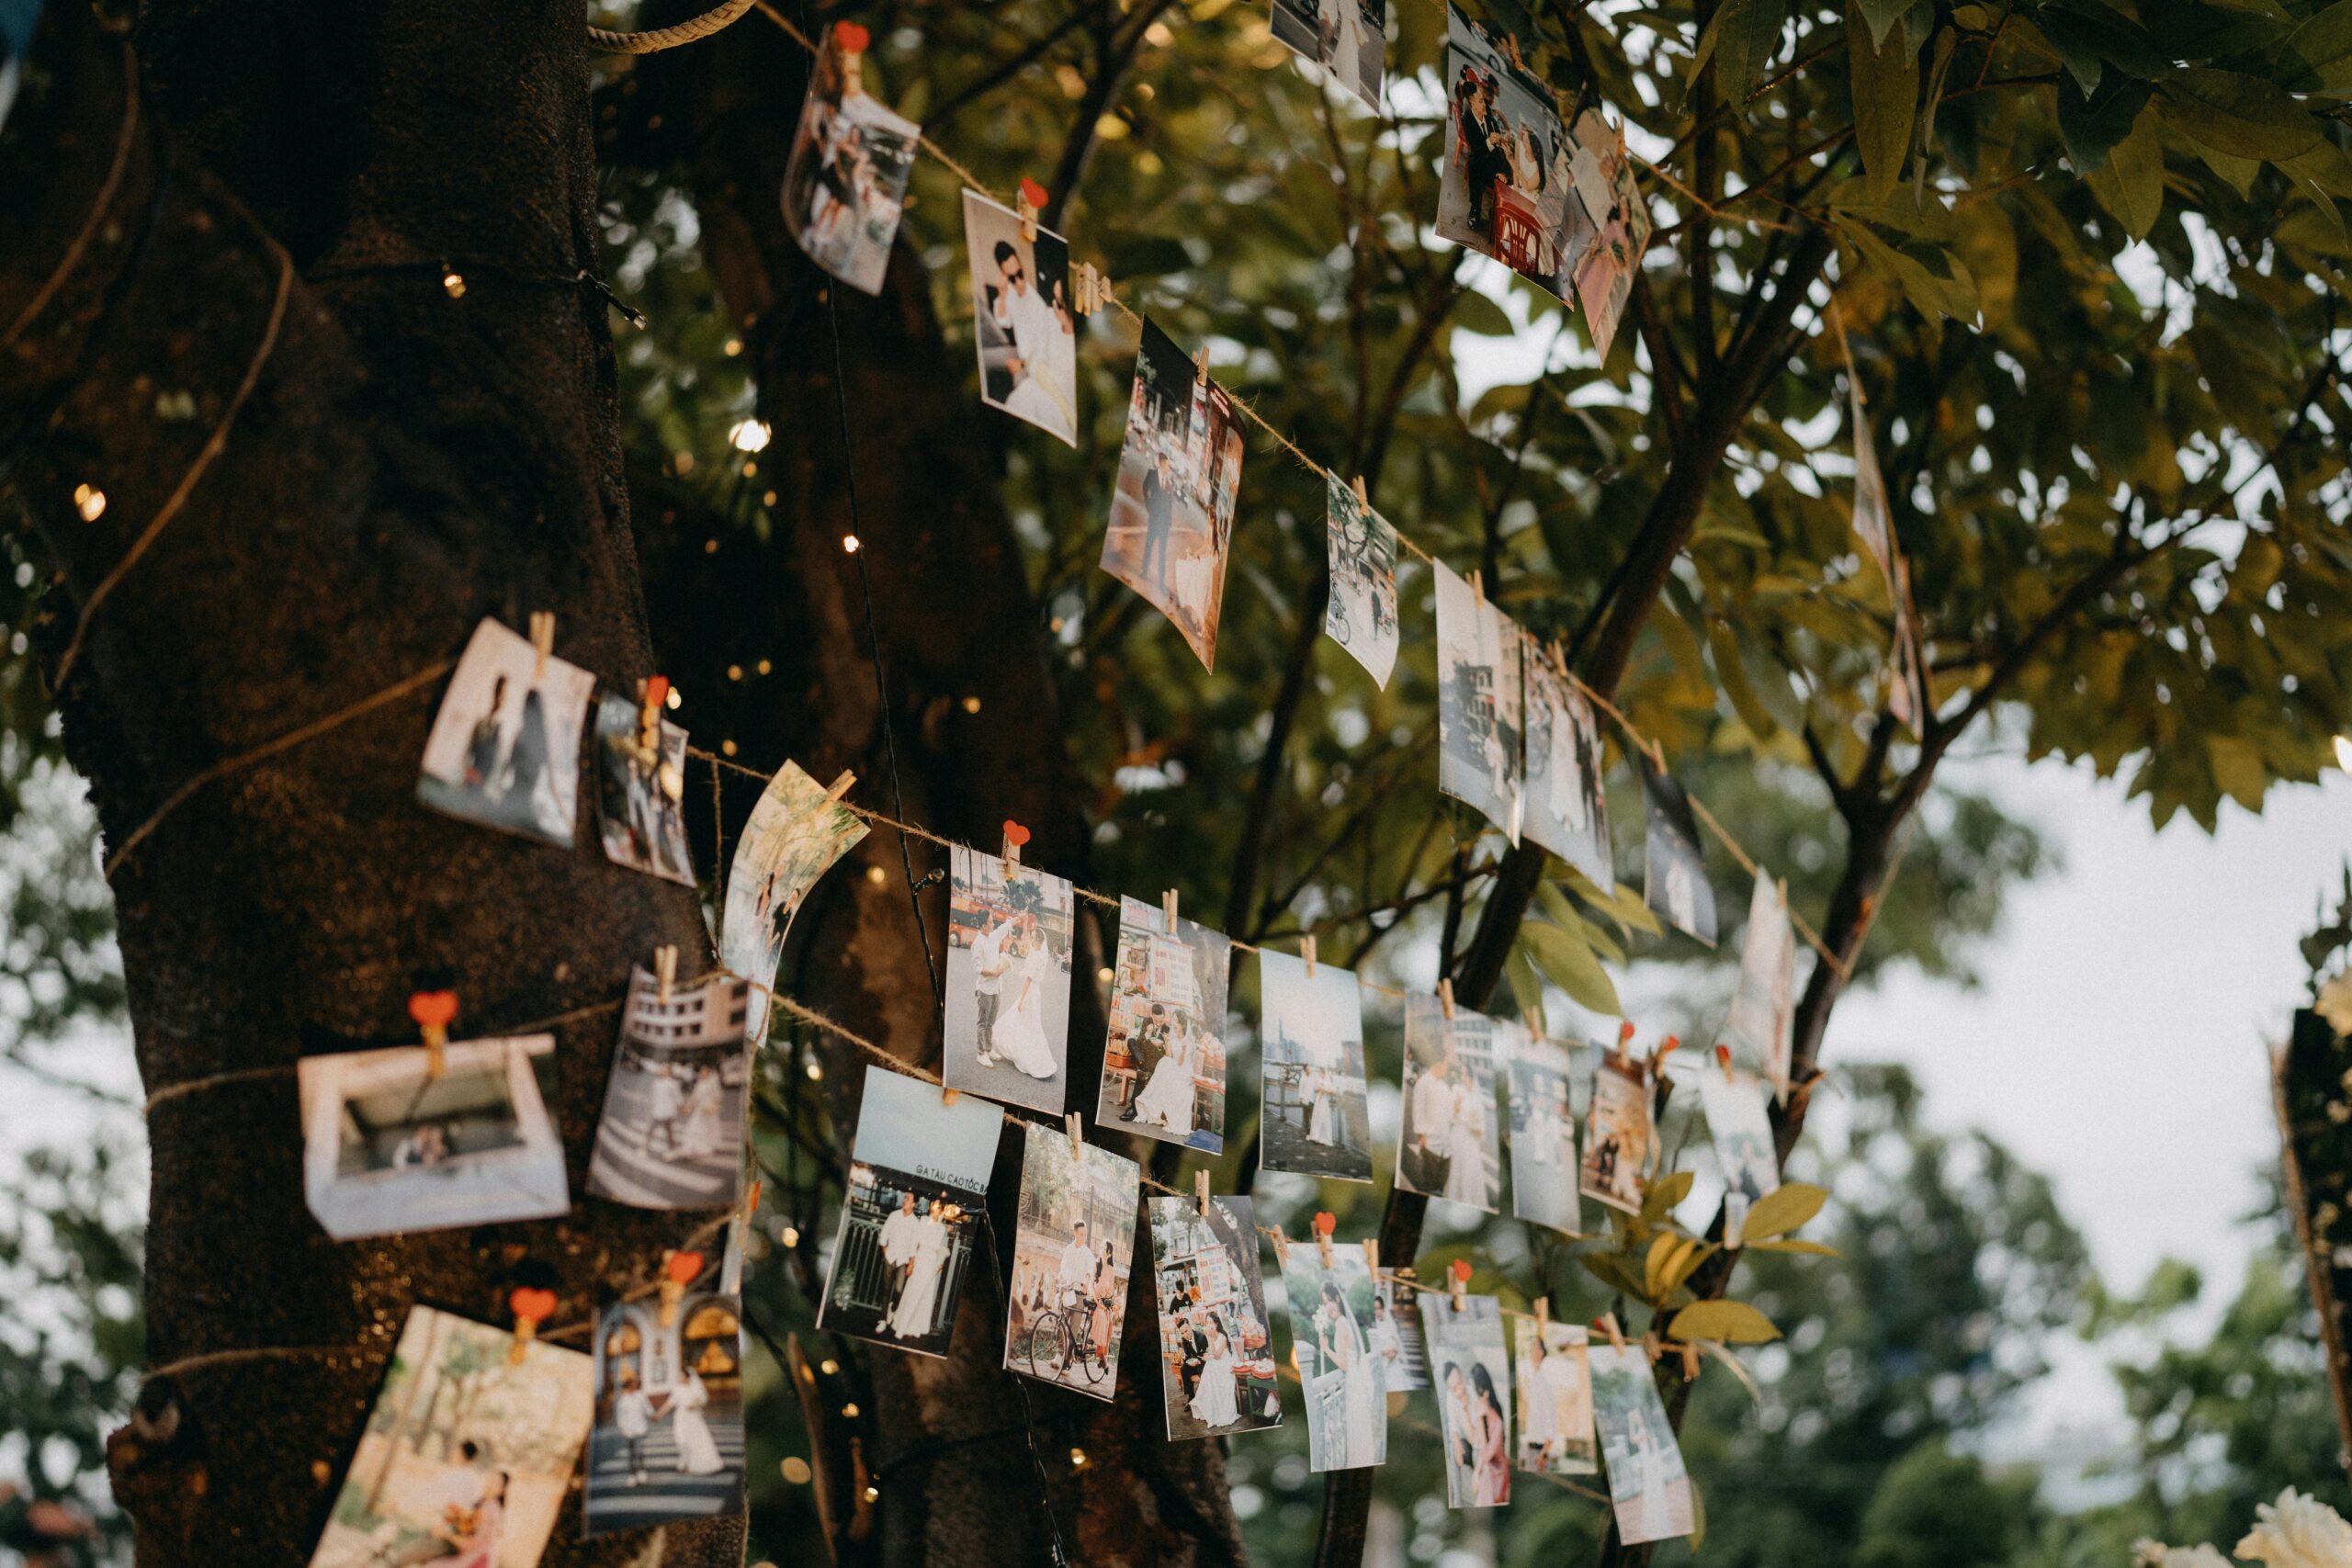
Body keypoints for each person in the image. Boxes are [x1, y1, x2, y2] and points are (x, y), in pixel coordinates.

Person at [987, 240, 1076, 442]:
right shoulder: (1007, 295)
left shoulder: (1034, 295)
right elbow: (1002, 320)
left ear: (1021, 265)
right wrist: (1002, 296)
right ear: (1004, 275)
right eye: (1012, 278)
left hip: (1043, 354)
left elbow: (1047, 331)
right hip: (1031, 359)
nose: (1018, 282)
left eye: (1020, 274)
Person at [1319, 1280, 1380, 1466]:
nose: (1328, 1307)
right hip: (1358, 1381)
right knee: (1361, 1431)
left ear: (1337, 1299)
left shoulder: (1341, 1324)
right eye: (1324, 1303)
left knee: (1357, 1432)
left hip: (1354, 1383)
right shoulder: (1346, 1322)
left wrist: (1326, 1349)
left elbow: (1344, 1365)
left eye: (1329, 1301)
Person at [989, 926, 1060, 1080]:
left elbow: (1028, 979)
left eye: (1033, 938)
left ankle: (1009, 1049)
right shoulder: (1040, 954)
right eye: (1031, 937)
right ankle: (1028, 1054)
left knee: (1021, 1021)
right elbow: (1027, 972)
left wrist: (1022, 999)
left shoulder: (1037, 957)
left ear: (1039, 941)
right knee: (1029, 1024)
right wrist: (1012, 966)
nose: (1031, 940)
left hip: (1030, 993)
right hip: (1035, 992)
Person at [888, 1201, 950, 1340]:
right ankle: (901, 1327)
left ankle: (912, 1327)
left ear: (941, 1210)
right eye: (933, 1205)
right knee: (912, 1293)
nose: (934, 1208)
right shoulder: (923, 1220)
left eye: (938, 1207)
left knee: (922, 1296)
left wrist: (939, 1263)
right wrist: (911, 1262)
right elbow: (915, 1242)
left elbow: (937, 1247)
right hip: (920, 1258)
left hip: (931, 1261)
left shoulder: (941, 1228)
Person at [419, 1469, 505, 1568]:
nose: (489, 1484)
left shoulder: (491, 1510)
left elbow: (473, 1543)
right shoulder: (484, 1504)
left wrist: (445, 1534)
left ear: (502, 1490)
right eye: (489, 1479)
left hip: (477, 1560)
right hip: (471, 1556)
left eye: (495, 1482)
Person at [1130, 1019, 1194, 1133]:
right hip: (1170, 1065)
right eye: (1174, 1021)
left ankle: (1153, 1102)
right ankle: (1150, 1103)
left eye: (1177, 1021)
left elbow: (1180, 1062)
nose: (1174, 1024)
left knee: (1166, 1063)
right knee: (1165, 1061)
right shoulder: (1172, 1036)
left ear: (1183, 1025)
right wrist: (1166, 1041)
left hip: (1181, 1069)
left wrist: (1182, 1049)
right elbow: (1169, 1055)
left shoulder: (1187, 1041)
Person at [1442, 1062, 1489, 1207]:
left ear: (1472, 1077)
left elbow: (1481, 1123)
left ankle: (1469, 1201)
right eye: (1462, 1074)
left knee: (1471, 1169)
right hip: (1459, 1135)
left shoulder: (1477, 1098)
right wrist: (1456, 1106)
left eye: (1466, 1075)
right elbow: (1451, 1116)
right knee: (1458, 1169)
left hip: (1471, 1139)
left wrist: (1477, 1129)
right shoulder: (1457, 1090)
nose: (1464, 1078)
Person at [968, 910, 1012, 1065]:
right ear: (983, 925)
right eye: (991, 922)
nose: (993, 924)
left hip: (996, 988)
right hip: (985, 989)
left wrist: (1019, 918)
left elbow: (1005, 927)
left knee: (991, 1022)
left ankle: (988, 1048)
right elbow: (978, 968)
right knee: (983, 1022)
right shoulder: (977, 944)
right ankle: (981, 1053)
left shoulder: (993, 936)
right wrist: (994, 973)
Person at [1408, 1053, 1455, 1192]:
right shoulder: (1423, 1083)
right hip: (1430, 1143)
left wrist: (1457, 1108)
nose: (1446, 1068)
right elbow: (1418, 1111)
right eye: (1445, 1065)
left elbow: (1450, 1114)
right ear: (1437, 1064)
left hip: (1446, 1144)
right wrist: (1421, 1136)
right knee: (1428, 1184)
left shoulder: (1444, 1087)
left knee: (1440, 1186)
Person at [669, 1368, 726, 1477]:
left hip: (693, 1417)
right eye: (679, 1376)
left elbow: (702, 1400)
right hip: (681, 1418)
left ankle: (698, 1464)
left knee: (697, 1440)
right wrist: (658, 1415)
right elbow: (670, 1403)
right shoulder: (678, 1389)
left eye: (682, 1376)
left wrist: (694, 1405)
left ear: (687, 1377)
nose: (680, 1378)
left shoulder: (695, 1388)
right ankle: (685, 1461)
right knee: (681, 1439)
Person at [1470, 1362, 1510, 1504]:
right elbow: (1476, 1445)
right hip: (1486, 1469)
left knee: (1486, 1470)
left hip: (1497, 1473)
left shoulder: (1497, 1422)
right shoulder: (1484, 1418)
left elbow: (1487, 1455)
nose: (1475, 1400)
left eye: (1477, 1394)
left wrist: (1481, 1421)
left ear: (1485, 1393)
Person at [1137, 446, 1176, 592]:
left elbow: (1170, 504)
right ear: (1162, 463)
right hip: (1154, 519)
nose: (1169, 468)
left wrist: (1169, 522)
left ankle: (1161, 584)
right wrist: (1149, 505)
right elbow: (1144, 487)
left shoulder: (1169, 483)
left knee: (1162, 553)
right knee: (1148, 545)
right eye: (1167, 465)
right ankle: (1144, 572)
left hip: (1164, 524)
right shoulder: (1152, 474)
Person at [877, 1191, 922, 1320]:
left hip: (903, 1260)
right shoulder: (894, 1215)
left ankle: (893, 1308)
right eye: (905, 1198)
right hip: (890, 1257)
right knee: (886, 1289)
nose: (904, 1200)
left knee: (899, 1290)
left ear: (913, 1204)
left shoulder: (915, 1222)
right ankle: (883, 1318)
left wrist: (911, 1264)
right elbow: (884, 1233)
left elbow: (914, 1244)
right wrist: (885, 1250)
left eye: (908, 1199)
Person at [1189, 1324, 1242, 1427]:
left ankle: (1216, 1410)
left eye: (1211, 1322)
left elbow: (1217, 1356)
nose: (1209, 1325)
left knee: (1210, 1365)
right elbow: (1213, 1353)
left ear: (1217, 1324)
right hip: (1218, 1363)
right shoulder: (1213, 1336)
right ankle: (1211, 1408)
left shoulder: (1223, 1336)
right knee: (1210, 1365)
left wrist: (1209, 1338)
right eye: (1208, 1323)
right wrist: (1209, 1344)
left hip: (1226, 1362)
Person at [461, 677, 507, 795]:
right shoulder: (482, 721)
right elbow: (470, 749)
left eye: (503, 695)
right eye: (499, 693)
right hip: (475, 773)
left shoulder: (501, 724)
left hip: (487, 777)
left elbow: (499, 758)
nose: (501, 698)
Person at [674, 1063, 725, 1161]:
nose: (701, 1073)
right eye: (701, 1071)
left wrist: (713, 1104)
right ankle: (692, 1147)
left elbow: (719, 1098)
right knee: (694, 1126)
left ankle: (710, 1145)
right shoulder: (700, 1083)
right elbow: (695, 1097)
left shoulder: (712, 1083)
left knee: (711, 1127)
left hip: (709, 1109)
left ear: (708, 1073)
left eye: (704, 1071)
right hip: (700, 1109)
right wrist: (687, 1107)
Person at [612, 1371, 654, 1484]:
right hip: (628, 1429)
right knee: (631, 1453)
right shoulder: (623, 1400)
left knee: (639, 1451)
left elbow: (648, 1409)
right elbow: (620, 1415)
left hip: (640, 1427)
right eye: (630, 1386)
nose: (632, 1387)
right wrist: (622, 1427)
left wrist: (653, 1416)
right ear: (627, 1387)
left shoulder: (641, 1396)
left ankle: (642, 1472)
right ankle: (632, 1474)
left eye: (634, 1385)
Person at [646, 1060, 684, 1155]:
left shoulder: (673, 1083)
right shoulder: (657, 1082)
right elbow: (653, 1096)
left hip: (668, 1111)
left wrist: (681, 1109)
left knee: (668, 1131)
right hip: (657, 1110)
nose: (663, 1071)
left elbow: (678, 1097)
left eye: (665, 1070)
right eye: (662, 1069)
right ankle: (645, 1146)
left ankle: (672, 1148)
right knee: (651, 1129)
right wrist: (651, 1106)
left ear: (669, 1072)